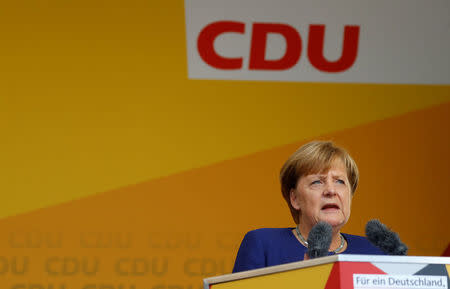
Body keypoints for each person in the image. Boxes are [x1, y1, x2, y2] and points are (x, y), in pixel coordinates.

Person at [232, 141, 385, 273]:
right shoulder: (264, 245)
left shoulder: (378, 252)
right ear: (295, 198)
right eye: (317, 182)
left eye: (339, 181)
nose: (331, 191)